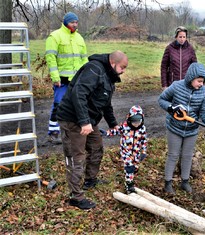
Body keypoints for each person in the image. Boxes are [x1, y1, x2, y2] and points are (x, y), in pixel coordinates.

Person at [56, 50, 128, 210]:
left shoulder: (108, 76)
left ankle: (90, 179)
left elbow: (106, 103)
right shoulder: (94, 69)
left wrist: (113, 124)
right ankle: (76, 196)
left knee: (96, 147)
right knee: (77, 156)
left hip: (87, 120)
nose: (123, 71)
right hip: (72, 119)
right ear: (113, 63)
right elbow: (78, 93)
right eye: (122, 67)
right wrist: (83, 122)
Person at [158, 62, 205, 194]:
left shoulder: (204, 92)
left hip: (191, 130)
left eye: (203, 82)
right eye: (199, 81)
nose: (201, 84)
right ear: (191, 78)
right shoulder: (177, 86)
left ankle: (185, 181)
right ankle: (168, 183)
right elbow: (162, 99)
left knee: (187, 155)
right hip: (175, 127)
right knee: (173, 155)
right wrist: (171, 108)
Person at [45, 12, 88, 144]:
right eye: (72, 22)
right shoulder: (55, 36)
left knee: (79, 104)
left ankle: (77, 130)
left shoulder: (79, 38)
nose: (75, 25)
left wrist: (86, 76)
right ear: (65, 22)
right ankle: (53, 133)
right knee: (58, 104)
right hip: (62, 80)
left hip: (77, 79)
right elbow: (51, 58)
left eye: (76, 22)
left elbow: (84, 58)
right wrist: (55, 77)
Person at [101, 105, 147, 194]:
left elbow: (143, 140)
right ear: (129, 118)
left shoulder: (142, 129)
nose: (136, 124)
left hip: (136, 152)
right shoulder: (125, 126)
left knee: (134, 167)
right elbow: (117, 131)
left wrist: (144, 151)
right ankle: (129, 185)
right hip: (126, 152)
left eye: (138, 121)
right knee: (129, 167)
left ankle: (131, 173)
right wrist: (107, 133)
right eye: (134, 121)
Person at [160, 26, 197, 90]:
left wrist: (194, 82)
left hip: (186, 84)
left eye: (184, 37)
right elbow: (164, 67)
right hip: (172, 85)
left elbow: (195, 67)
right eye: (180, 37)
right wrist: (164, 84)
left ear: (186, 37)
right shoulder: (169, 48)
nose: (182, 39)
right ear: (176, 37)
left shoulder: (190, 49)